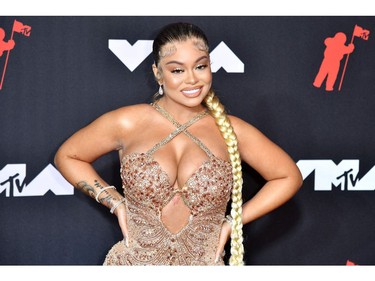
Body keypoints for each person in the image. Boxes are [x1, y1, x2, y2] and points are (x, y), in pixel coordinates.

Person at [54, 22, 303, 266]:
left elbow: (287, 176)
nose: (192, 80)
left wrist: (232, 222)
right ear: (157, 73)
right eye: (177, 70)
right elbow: (68, 156)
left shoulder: (232, 130)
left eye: (200, 66)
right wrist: (115, 203)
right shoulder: (127, 122)